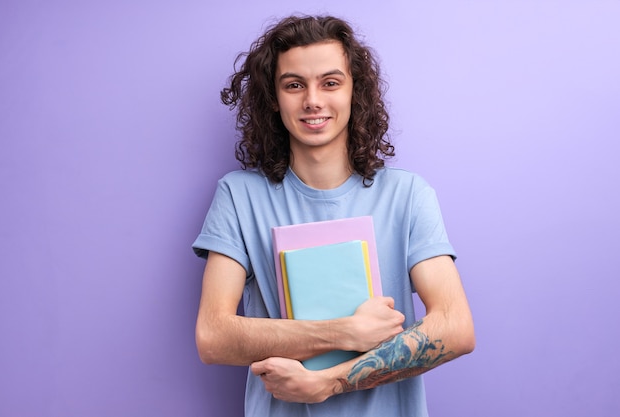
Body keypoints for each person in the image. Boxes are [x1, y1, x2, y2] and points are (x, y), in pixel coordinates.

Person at [192, 14, 475, 417]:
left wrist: (329, 382)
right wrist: (344, 331)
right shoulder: (239, 196)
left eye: (330, 82)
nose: (312, 100)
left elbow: (456, 328)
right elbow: (213, 336)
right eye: (294, 85)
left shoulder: (407, 195)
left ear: (353, 91)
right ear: (273, 98)